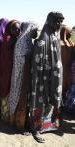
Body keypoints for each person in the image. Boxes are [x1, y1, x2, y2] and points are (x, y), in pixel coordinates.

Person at [30, 12, 64, 143]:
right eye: (56, 21)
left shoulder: (55, 35)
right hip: (44, 79)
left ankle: (46, 126)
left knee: (52, 101)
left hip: (54, 78)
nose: (59, 24)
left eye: (61, 21)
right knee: (41, 103)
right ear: (49, 21)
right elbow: (37, 64)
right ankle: (36, 128)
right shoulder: (43, 39)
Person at [8, 22, 39, 133]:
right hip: (21, 77)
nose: (36, 32)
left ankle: (21, 122)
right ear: (29, 30)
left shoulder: (27, 42)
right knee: (21, 100)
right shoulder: (22, 43)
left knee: (23, 101)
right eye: (35, 30)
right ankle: (19, 125)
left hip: (24, 76)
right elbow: (23, 63)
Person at [0, 20, 21, 123]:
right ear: (9, 29)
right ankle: (4, 114)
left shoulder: (14, 39)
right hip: (6, 69)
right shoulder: (8, 39)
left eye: (18, 28)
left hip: (11, 69)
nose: (17, 30)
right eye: (15, 28)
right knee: (5, 89)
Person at [60, 26, 75, 101]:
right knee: (62, 85)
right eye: (70, 32)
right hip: (63, 68)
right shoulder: (60, 43)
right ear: (65, 33)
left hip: (69, 69)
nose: (71, 34)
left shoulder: (70, 42)